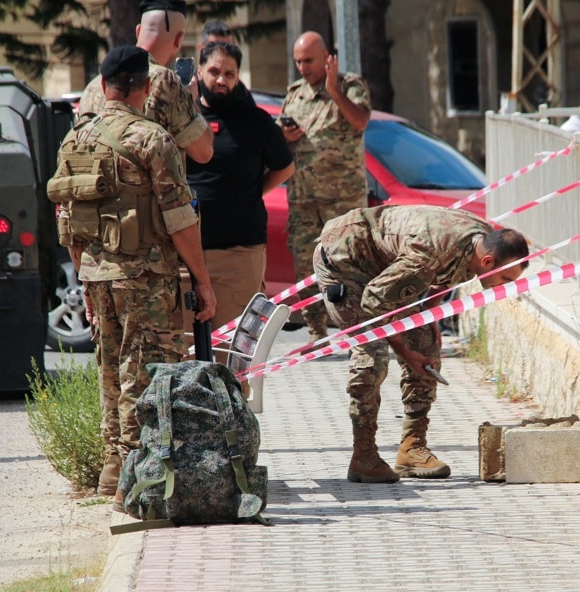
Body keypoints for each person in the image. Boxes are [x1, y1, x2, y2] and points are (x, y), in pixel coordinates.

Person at [49, 46, 216, 498]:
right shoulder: (153, 139)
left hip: (97, 275)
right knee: (144, 373)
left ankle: (111, 466)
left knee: (108, 368)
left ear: (103, 88)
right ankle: (135, 479)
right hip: (145, 280)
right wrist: (201, 281)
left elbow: (67, 217)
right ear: (144, 87)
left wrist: (84, 274)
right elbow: (180, 219)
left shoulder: (76, 139)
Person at [313, 205, 530, 483]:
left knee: (425, 343)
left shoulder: (481, 241)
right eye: (504, 280)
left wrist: (431, 315)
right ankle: (363, 455)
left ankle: (412, 448)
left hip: (388, 266)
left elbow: (449, 273)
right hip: (345, 261)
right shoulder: (427, 254)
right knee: (372, 354)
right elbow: (375, 304)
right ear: (487, 262)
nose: (503, 288)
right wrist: (404, 351)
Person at [184, 41, 294, 347]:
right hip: (184, 255)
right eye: (215, 71)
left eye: (229, 74)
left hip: (238, 255)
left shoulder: (255, 121)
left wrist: (250, 192)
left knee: (231, 352)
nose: (221, 80)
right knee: (184, 353)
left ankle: (235, 396)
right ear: (200, 71)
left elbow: (284, 168)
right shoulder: (182, 120)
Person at [280, 31, 371, 345]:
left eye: (309, 61)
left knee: (349, 265)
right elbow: (281, 142)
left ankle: (356, 332)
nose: (303, 68)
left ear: (327, 58)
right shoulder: (294, 94)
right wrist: (285, 135)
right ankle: (315, 333)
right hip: (303, 199)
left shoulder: (350, 86)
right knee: (306, 267)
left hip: (341, 201)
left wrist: (333, 90)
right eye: (298, 62)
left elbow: (360, 121)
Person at [79, 0, 213, 165]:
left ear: (138, 31)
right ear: (178, 40)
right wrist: (191, 101)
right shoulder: (167, 81)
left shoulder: (93, 86)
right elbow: (204, 152)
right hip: (149, 190)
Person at [198, 20, 255, 105]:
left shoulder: (241, 93)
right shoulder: (187, 87)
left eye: (228, 47)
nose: (221, 81)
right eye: (214, 46)